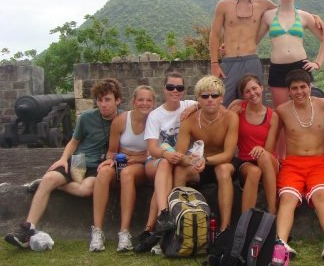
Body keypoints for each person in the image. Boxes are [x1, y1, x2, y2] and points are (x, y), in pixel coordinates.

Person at [5, 78, 123, 249]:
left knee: (86, 189)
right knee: (50, 178)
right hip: (79, 160)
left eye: (107, 100)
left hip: (99, 165)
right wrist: (63, 159)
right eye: (99, 100)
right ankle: (28, 229)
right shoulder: (87, 118)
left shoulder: (123, 119)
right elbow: (74, 142)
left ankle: (51, 185)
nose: (103, 104)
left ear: (117, 100)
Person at [209, 0, 324, 106]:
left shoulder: (263, 4)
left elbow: (286, 9)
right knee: (222, 103)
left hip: (251, 59)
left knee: (256, 105)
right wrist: (214, 63)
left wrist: (313, 17)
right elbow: (214, 34)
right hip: (229, 62)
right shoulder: (224, 5)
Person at [257, 0, 324, 158]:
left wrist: (318, 62)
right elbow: (253, 40)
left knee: (307, 112)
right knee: (281, 116)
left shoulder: (304, 16)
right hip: (278, 69)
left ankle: (310, 153)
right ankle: (281, 157)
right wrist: (231, 48)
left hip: (301, 67)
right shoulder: (268, 15)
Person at [275, 69, 324, 261]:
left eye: (303, 87)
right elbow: (269, 133)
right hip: (292, 163)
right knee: (288, 198)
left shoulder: (323, 105)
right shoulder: (282, 110)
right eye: (294, 88)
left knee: (321, 195)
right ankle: (280, 243)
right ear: (289, 91)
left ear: (310, 87)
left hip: (318, 162)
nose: (299, 92)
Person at [134, 72, 198, 254]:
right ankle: (164, 213)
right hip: (158, 160)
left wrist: (194, 108)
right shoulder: (156, 115)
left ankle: (150, 230)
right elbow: (153, 148)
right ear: (164, 89)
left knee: (165, 178)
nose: (175, 91)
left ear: (184, 90)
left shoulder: (189, 105)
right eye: (171, 87)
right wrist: (166, 155)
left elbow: (209, 101)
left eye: (179, 88)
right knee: (165, 164)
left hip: (179, 161)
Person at [89, 85, 156, 252]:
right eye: (140, 99)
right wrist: (110, 161)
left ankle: (124, 232)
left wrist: (134, 158)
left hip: (141, 165)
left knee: (126, 173)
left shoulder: (155, 121)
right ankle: (97, 231)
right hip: (122, 161)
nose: (144, 103)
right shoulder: (121, 120)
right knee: (103, 172)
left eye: (148, 100)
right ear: (134, 101)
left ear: (154, 103)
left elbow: (152, 152)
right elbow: (112, 151)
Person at [173, 75, 238, 232]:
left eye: (214, 95)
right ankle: (179, 225)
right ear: (198, 100)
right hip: (199, 164)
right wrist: (191, 161)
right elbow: (179, 154)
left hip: (222, 162)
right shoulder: (189, 120)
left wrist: (205, 159)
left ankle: (225, 228)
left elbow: (228, 154)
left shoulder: (230, 117)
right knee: (180, 170)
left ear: (221, 98)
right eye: (205, 96)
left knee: (222, 170)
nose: (210, 99)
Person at [230, 74, 279, 214]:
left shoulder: (272, 115)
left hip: (268, 161)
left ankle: (272, 210)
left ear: (261, 88)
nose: (252, 93)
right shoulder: (238, 107)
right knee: (254, 172)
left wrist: (260, 149)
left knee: (263, 156)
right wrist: (231, 114)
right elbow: (223, 124)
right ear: (243, 95)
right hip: (246, 161)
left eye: (254, 88)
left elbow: (269, 149)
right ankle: (245, 222)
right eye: (247, 91)